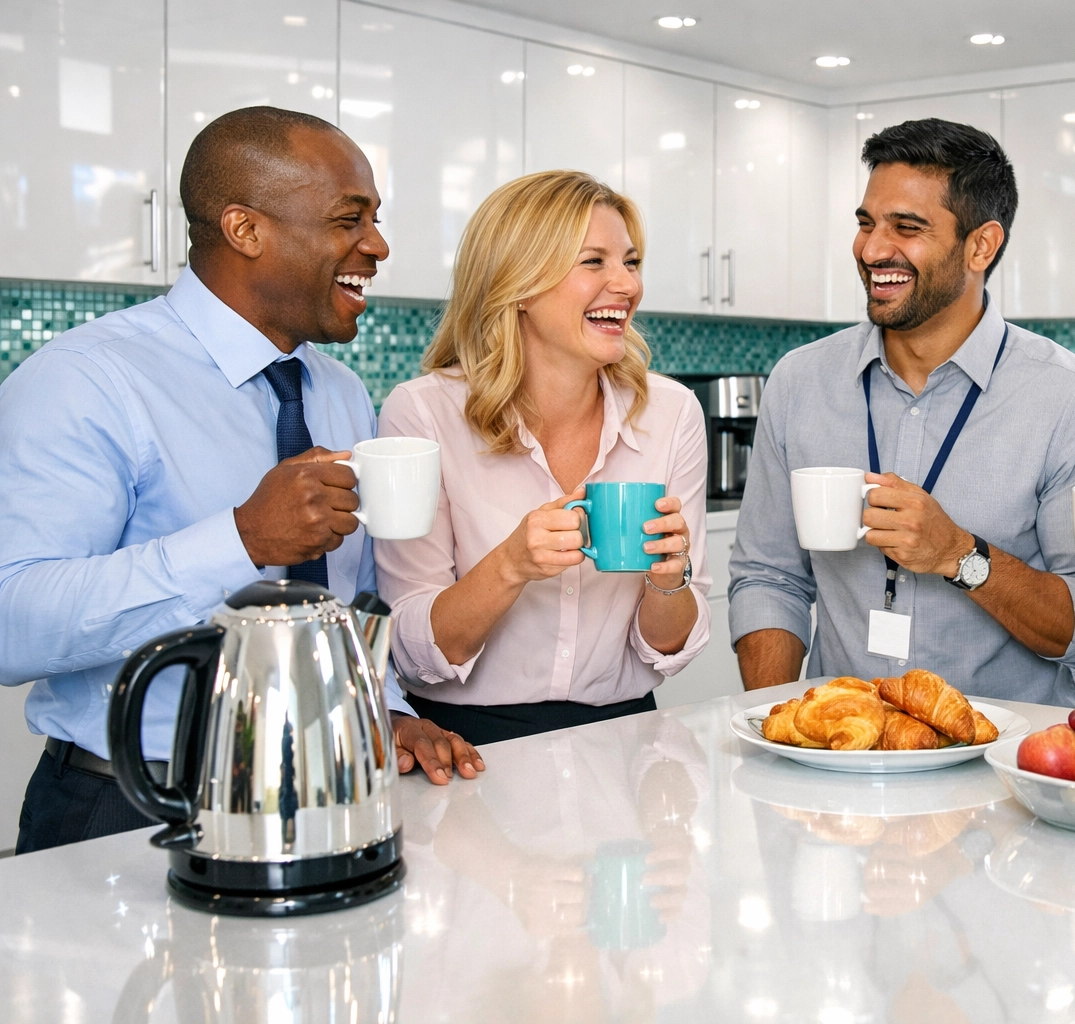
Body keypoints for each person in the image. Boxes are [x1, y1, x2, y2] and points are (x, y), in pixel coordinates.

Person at [0, 106, 482, 854]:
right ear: (244, 230)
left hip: (328, 794)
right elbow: (11, 623)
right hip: (132, 808)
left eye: (375, 219)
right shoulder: (86, 380)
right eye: (347, 219)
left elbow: (347, 602)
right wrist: (242, 538)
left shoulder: (340, 392)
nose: (377, 246)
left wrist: (383, 708)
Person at [729, 118, 1075, 705]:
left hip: (1006, 764)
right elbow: (769, 577)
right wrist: (776, 720)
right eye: (866, 223)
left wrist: (959, 555)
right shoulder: (800, 381)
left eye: (907, 227)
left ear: (981, 245)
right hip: (842, 758)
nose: (872, 249)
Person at [373, 170, 708, 745]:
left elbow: (666, 650)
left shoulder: (672, 413)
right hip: (466, 745)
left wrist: (669, 580)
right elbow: (409, 646)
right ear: (521, 284)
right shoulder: (423, 414)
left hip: (625, 737)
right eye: (594, 262)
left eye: (630, 262)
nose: (625, 284)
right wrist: (511, 565)